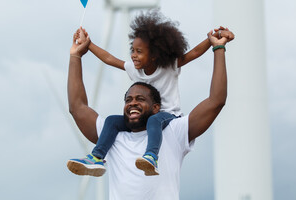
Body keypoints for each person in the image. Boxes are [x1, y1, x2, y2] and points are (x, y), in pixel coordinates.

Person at [67, 24, 233, 199]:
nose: (132, 103)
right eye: (128, 100)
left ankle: (151, 156)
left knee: (155, 122)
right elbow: (77, 107)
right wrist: (77, 54)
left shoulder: (174, 132)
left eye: (140, 99)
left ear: (155, 107)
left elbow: (216, 101)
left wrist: (217, 47)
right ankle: (97, 157)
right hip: (140, 125)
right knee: (110, 120)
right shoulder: (112, 136)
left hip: (168, 117)